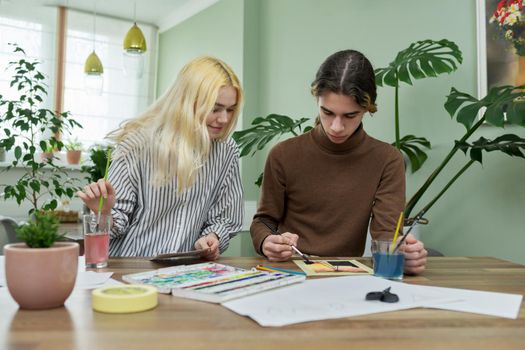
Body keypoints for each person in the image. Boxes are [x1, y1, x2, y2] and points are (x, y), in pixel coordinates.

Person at [250, 50, 427, 274]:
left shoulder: (387, 160)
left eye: (349, 116)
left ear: (367, 108)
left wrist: (404, 256)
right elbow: (264, 221)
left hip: (345, 277)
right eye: (327, 112)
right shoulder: (283, 155)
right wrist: (267, 241)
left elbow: (386, 234)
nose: (336, 126)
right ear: (317, 100)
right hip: (289, 273)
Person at [78, 56, 244, 260]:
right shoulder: (137, 145)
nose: (224, 119)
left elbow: (225, 218)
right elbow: (114, 227)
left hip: (185, 272)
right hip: (130, 266)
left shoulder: (227, 151)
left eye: (230, 109)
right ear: (187, 103)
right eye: (215, 109)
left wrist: (212, 236)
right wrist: (103, 212)